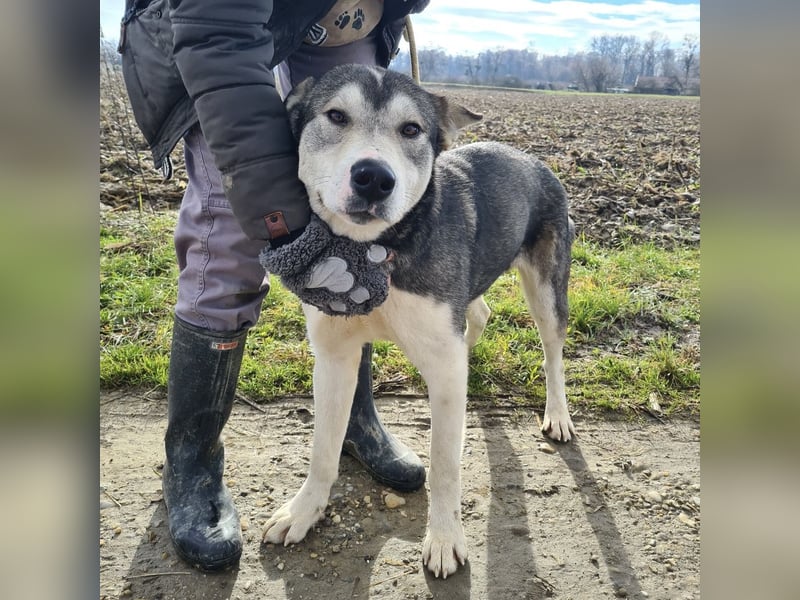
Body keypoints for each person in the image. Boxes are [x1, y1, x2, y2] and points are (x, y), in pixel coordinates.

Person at [119, 0, 430, 571]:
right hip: (220, 27)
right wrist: (281, 226)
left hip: (339, 17)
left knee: (356, 226)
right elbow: (218, 39)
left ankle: (354, 420)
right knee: (227, 226)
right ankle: (192, 461)